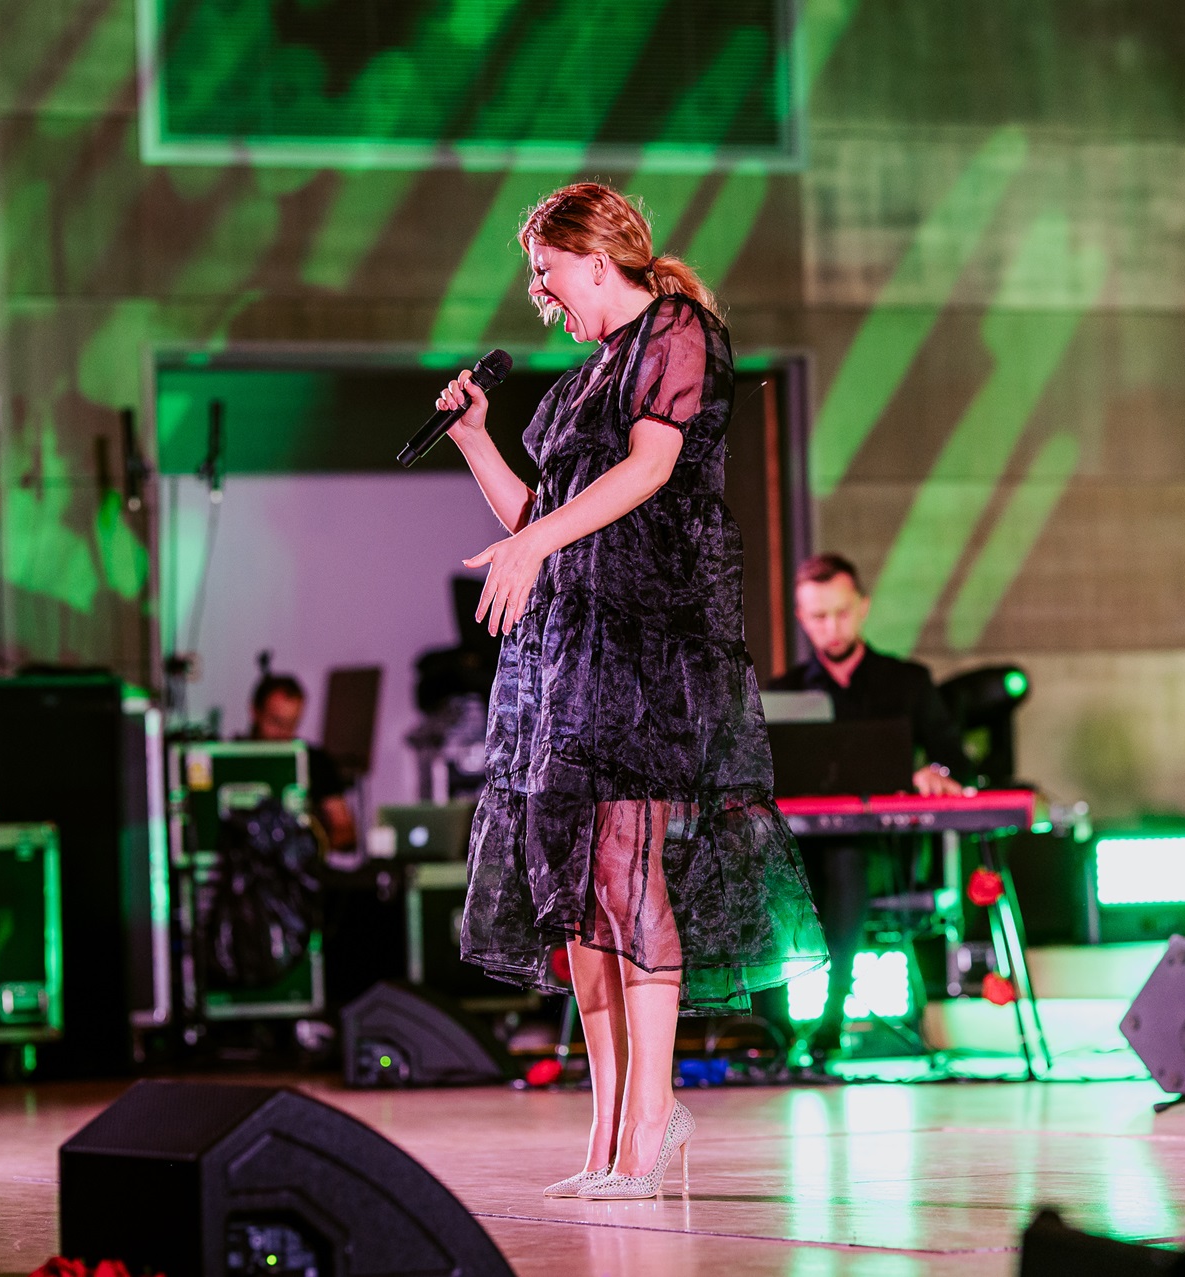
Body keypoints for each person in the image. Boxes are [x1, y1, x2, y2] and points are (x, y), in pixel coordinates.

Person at [439, 183, 825, 1199]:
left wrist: (535, 543)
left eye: (546, 271)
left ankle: (653, 1119)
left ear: (595, 258)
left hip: (650, 645)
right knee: (578, 902)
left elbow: (652, 468)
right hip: (572, 652)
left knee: (626, 873)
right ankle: (609, 1132)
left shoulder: (678, 331)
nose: (540, 292)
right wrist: (476, 438)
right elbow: (543, 511)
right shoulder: (585, 379)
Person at [770, 553, 977, 1060]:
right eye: (818, 616)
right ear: (801, 619)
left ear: (863, 607)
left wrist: (934, 773)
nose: (831, 626)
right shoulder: (781, 694)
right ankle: (766, 1029)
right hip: (802, 856)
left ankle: (829, 1020)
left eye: (841, 612)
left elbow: (959, 764)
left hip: (885, 854)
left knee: (846, 858)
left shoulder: (908, 683)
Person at [246, 662, 357, 851]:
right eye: (276, 722)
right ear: (255, 712)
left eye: (292, 724)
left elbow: (343, 827)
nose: (283, 733)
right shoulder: (229, 760)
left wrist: (309, 850)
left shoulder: (315, 760)